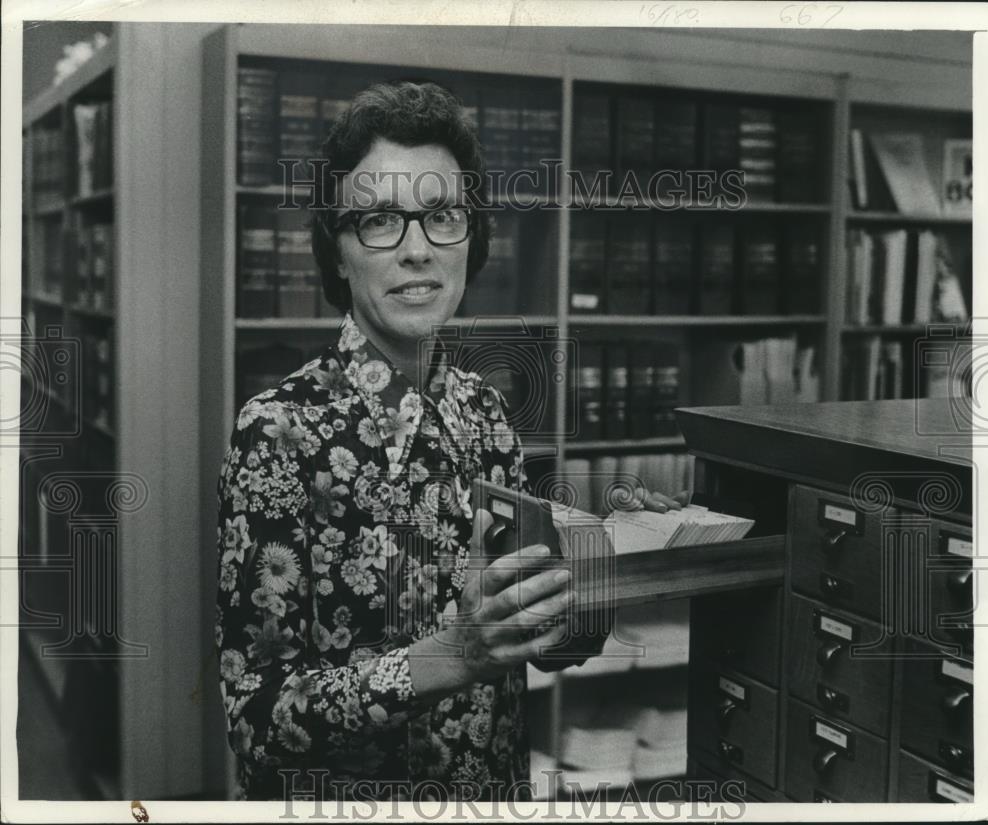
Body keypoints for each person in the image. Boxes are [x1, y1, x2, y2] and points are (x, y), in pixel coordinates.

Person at [214, 79, 685, 803]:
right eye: (378, 220)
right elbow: (255, 720)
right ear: (337, 252)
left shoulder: (484, 411)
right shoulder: (277, 431)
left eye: (441, 216)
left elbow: (541, 645)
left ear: (472, 237)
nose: (416, 251)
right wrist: (451, 656)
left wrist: (602, 557)